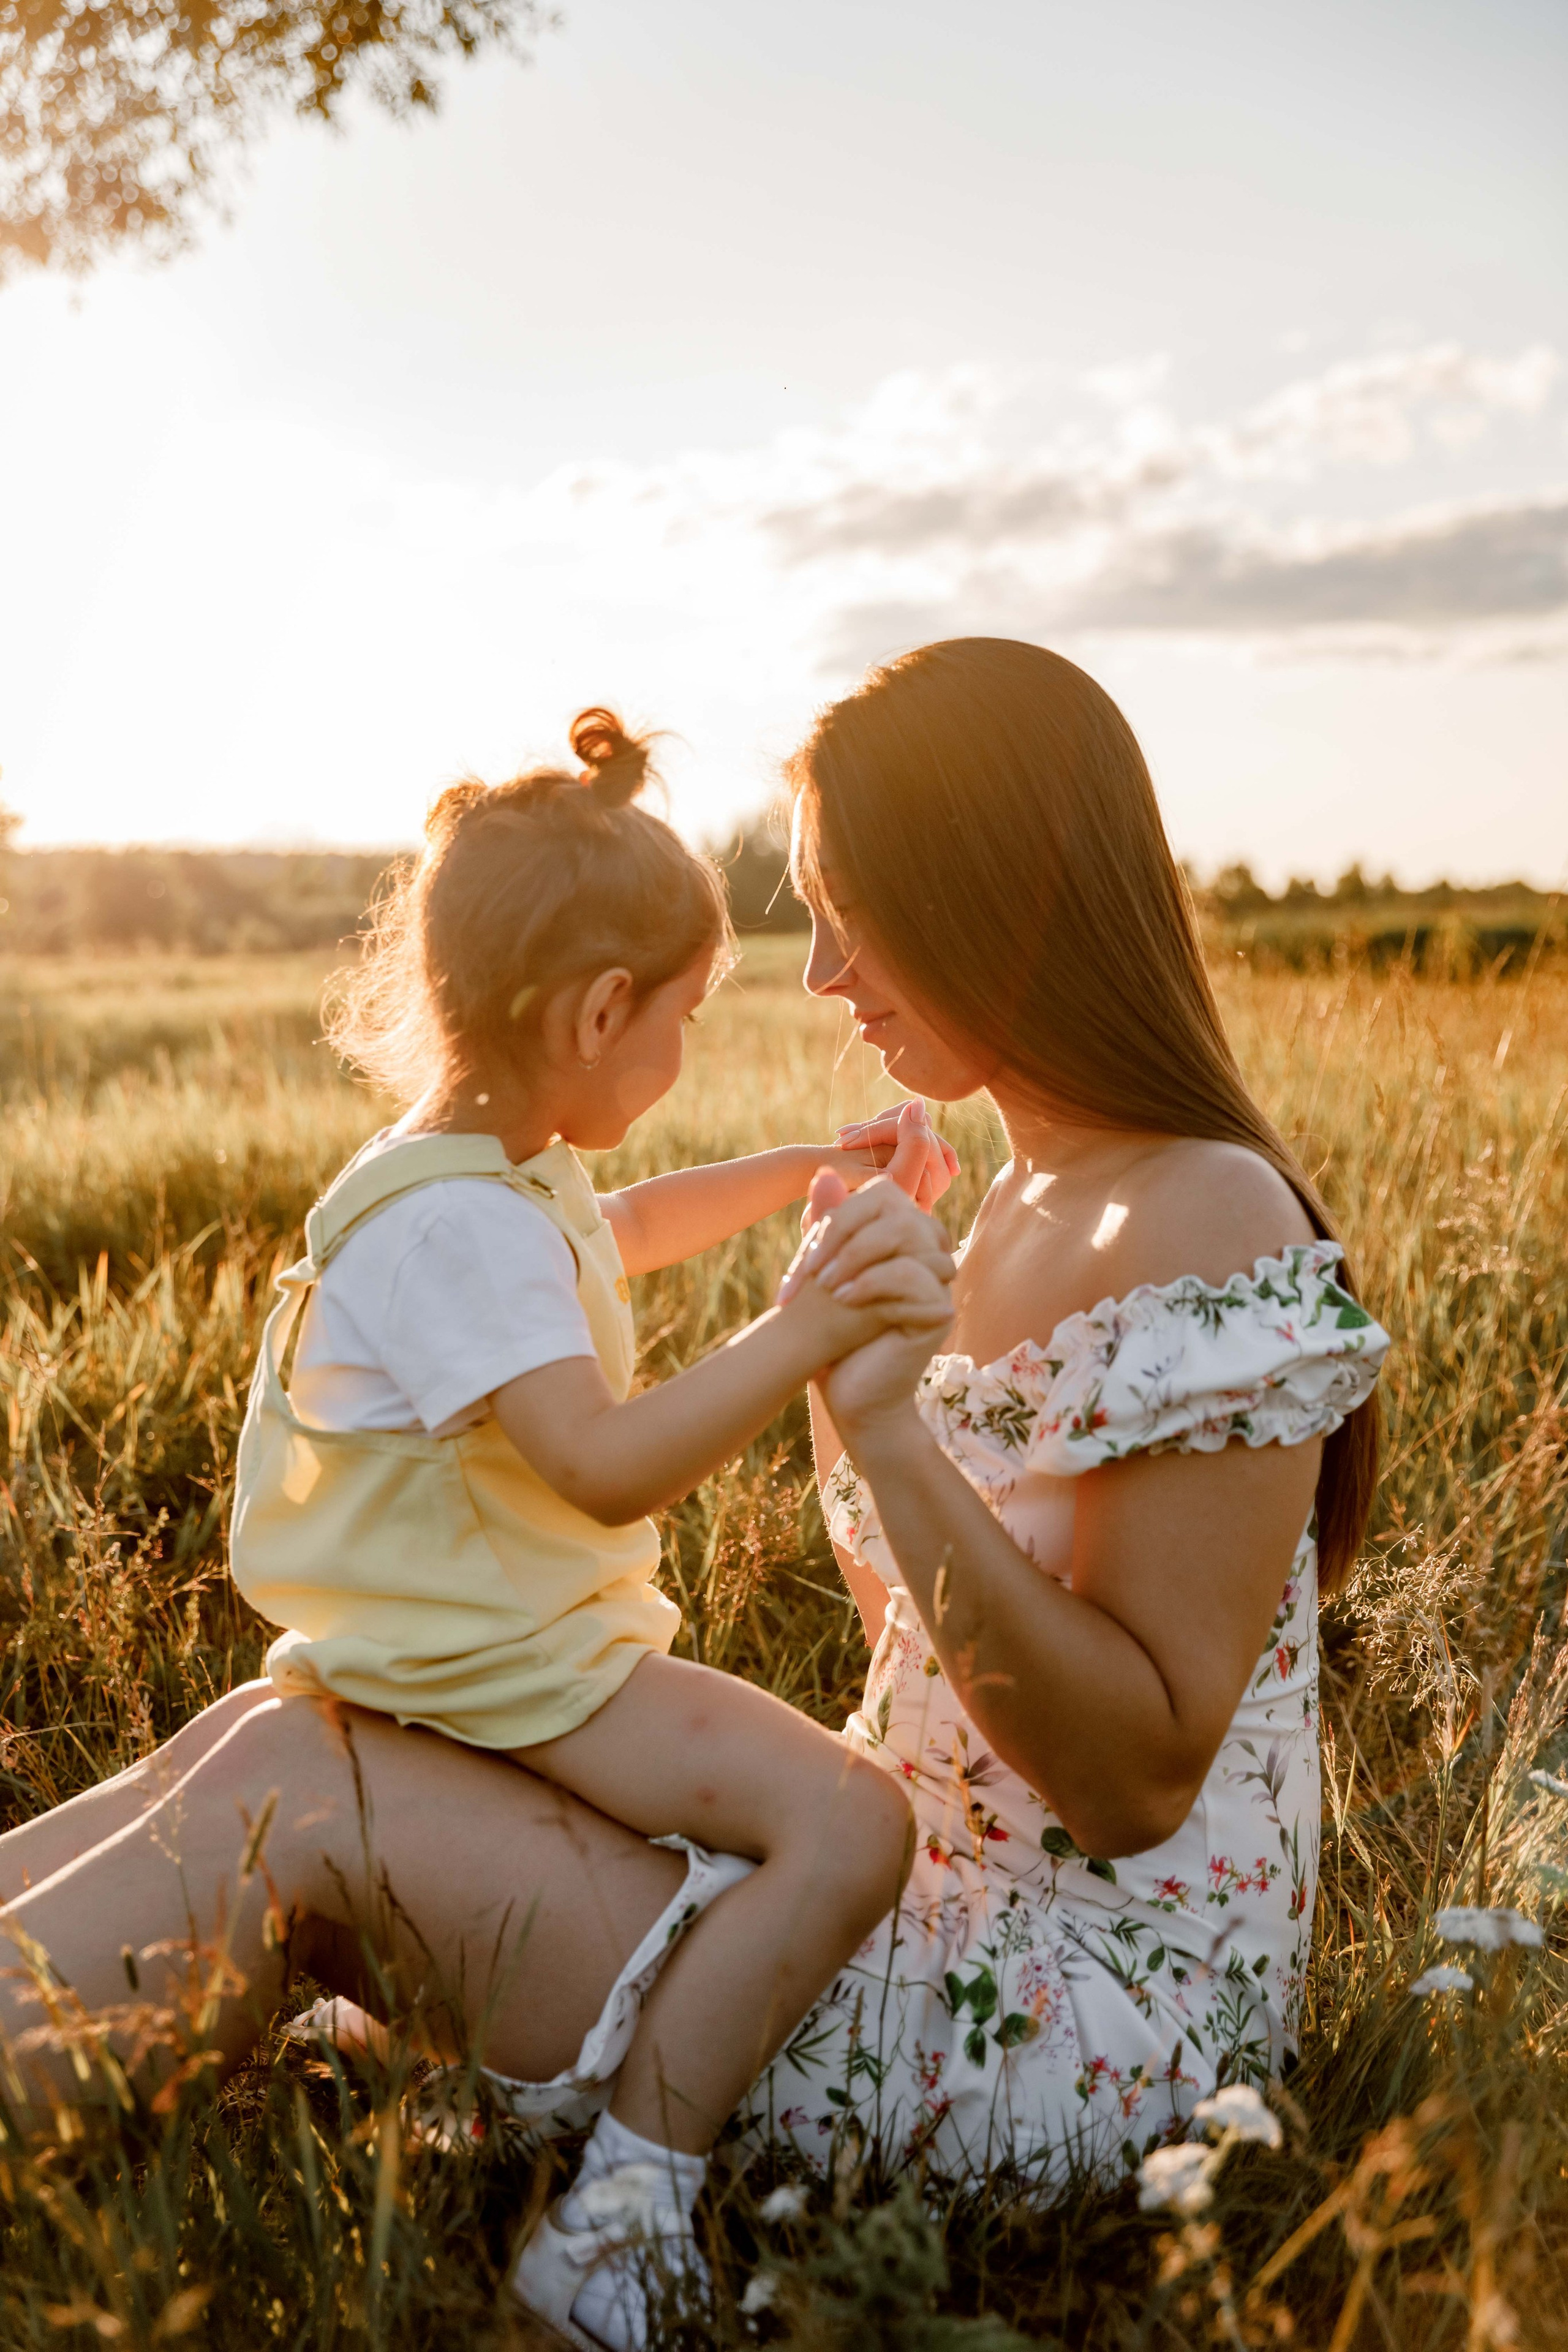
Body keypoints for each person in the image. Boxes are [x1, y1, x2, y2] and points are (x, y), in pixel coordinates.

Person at [0, 641, 1388, 2331]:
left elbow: (1129, 1783)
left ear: (990, 888)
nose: (828, 977)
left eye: (850, 911)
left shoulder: (1203, 1210)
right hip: (886, 1900)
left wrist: (875, 1424)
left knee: (307, 1801)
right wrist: (846, 1397)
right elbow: (934, 1667)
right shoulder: (1017, 1202)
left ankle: (617, 2214)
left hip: (1067, 2029)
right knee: (278, 1739)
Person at [226, 707, 957, 2347]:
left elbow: (609, 1233)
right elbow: (603, 1467)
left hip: (429, 1645)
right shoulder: (465, 1235)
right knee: (851, 1828)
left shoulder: (474, 1183)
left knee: (729, 1843)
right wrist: (808, 1329)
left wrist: (797, 1168)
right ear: (601, 1007)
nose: (685, 1053)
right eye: (685, 1019)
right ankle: (624, 2209)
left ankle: (432, 2065)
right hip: (513, 1659)